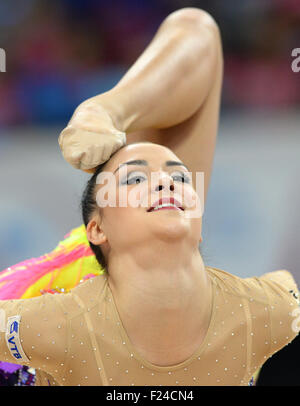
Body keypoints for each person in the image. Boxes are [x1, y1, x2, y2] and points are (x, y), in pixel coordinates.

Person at [0, 8, 299, 386]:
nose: (167, 183)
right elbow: (196, 36)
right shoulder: (51, 324)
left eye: (180, 176)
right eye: (134, 178)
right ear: (97, 229)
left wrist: (109, 113)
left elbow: (198, 32)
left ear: (199, 222)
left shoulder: (268, 307)